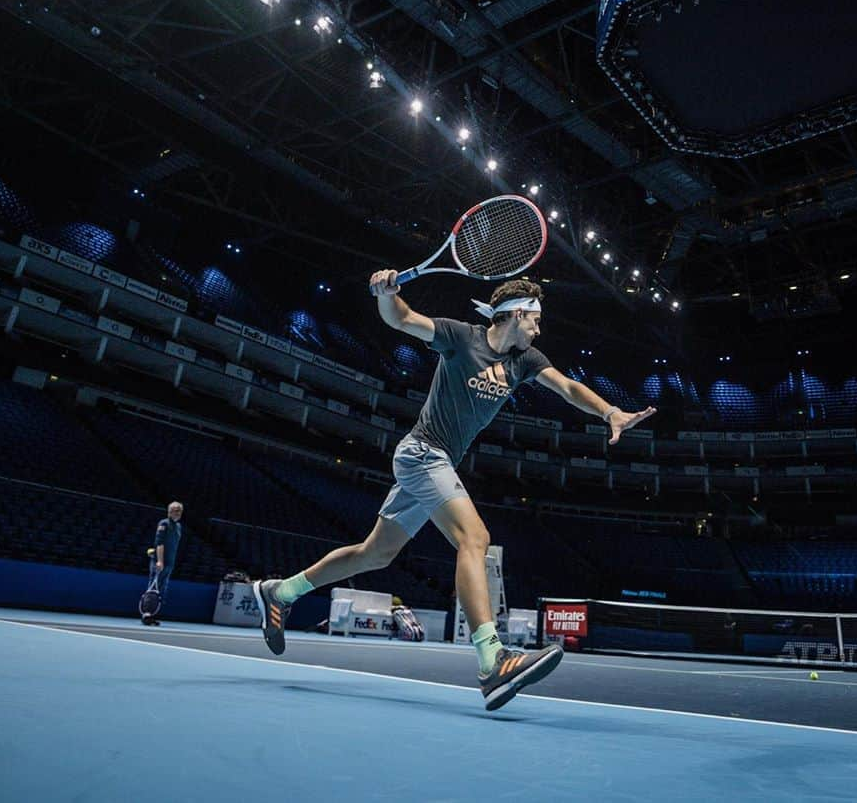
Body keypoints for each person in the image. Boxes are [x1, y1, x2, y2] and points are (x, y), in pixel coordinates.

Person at [254, 275, 655, 710]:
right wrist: (388, 295)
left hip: (436, 464)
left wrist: (609, 411)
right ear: (517, 314)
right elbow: (403, 319)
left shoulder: (526, 359)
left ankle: (281, 592)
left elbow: (567, 387)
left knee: (376, 553)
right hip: (422, 454)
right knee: (474, 538)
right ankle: (492, 660)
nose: (539, 329)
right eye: (536, 320)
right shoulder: (460, 337)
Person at [142, 501, 184, 626]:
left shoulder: (178, 526)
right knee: (152, 588)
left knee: (162, 589)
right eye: (175, 510)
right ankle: (147, 614)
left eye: (179, 511)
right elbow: (159, 543)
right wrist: (160, 560)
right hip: (160, 561)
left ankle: (153, 614)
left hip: (170, 563)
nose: (178, 513)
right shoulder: (163, 523)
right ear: (169, 511)